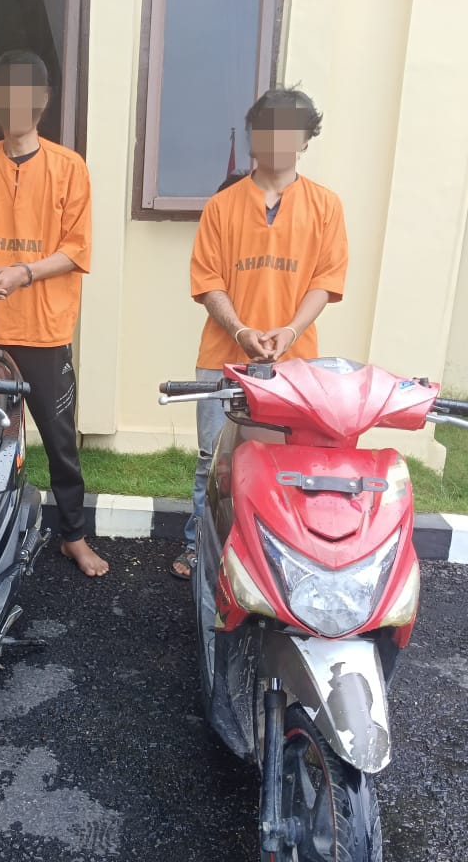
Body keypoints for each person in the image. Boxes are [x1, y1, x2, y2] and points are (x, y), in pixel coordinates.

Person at [0, 49, 109, 579]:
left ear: (42, 99)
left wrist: (23, 273)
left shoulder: (69, 168)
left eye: (24, 91)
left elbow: (77, 249)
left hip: (46, 331)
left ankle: (73, 537)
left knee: (60, 442)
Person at [172, 87, 349, 580]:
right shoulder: (222, 206)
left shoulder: (326, 207)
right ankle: (199, 548)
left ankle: (275, 557)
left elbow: (325, 281)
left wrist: (289, 331)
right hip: (222, 358)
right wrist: (241, 329)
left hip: (295, 365)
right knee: (214, 462)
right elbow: (208, 281)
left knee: (287, 464)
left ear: (306, 139)